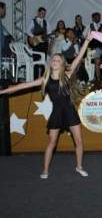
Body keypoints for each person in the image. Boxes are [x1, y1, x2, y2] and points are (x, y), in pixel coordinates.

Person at [0, 36, 93, 179]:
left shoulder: (67, 74)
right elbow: (23, 85)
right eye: (53, 60)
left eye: (57, 60)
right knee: (51, 143)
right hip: (56, 113)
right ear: (50, 63)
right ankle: (45, 170)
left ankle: (79, 166)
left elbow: (79, 57)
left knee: (79, 141)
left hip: (70, 111)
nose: (54, 61)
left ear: (62, 63)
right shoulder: (45, 79)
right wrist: (2, 91)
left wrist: (86, 41)